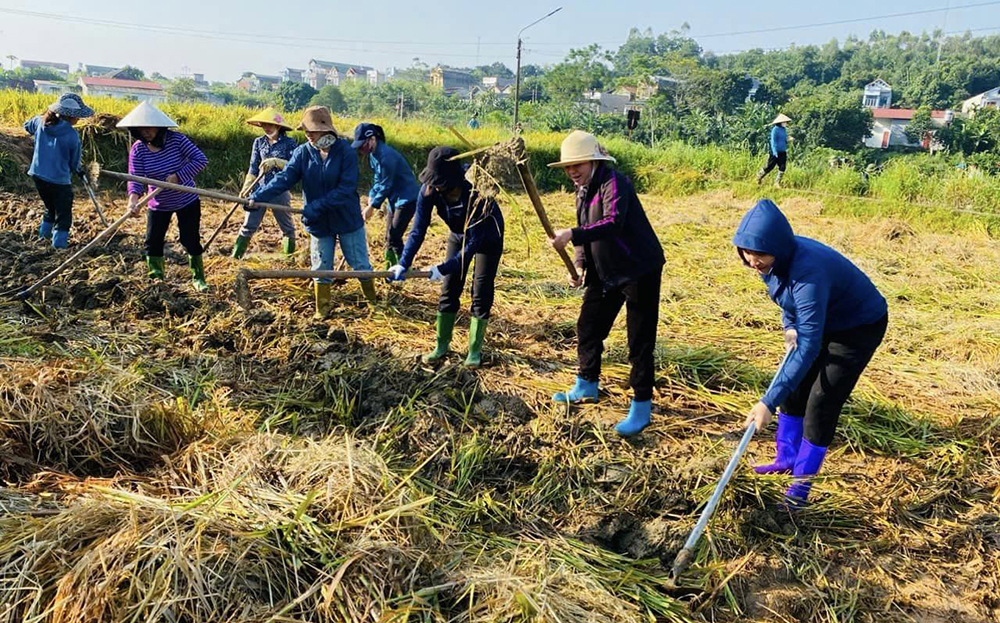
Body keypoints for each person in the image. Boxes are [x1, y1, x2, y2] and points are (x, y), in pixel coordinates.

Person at [735, 199, 888, 506]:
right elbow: (787, 301)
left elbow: (809, 345)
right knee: (793, 390)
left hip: (858, 326)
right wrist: (790, 326)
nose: (752, 260)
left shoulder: (808, 273)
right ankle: (786, 458)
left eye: (759, 253)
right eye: (746, 251)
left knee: (821, 400)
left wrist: (767, 403)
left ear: (777, 247)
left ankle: (800, 487)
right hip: (823, 318)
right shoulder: (772, 262)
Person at [547, 130, 665, 437]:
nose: (572, 171)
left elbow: (612, 223)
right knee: (588, 326)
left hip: (639, 269)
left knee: (639, 341)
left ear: (594, 161)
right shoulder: (582, 190)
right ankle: (587, 384)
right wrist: (579, 265)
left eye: (578, 164)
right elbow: (584, 234)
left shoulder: (615, 183)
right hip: (605, 271)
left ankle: (641, 405)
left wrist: (572, 233)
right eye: (568, 166)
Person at [248, 106, 374, 318]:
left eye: (313, 132)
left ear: (326, 130)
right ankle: (322, 309)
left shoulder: (345, 152)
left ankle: (373, 303)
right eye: (307, 132)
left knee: (359, 263)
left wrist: (316, 206)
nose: (309, 136)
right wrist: (259, 196)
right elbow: (285, 178)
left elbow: (345, 189)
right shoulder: (303, 152)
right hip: (318, 221)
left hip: (346, 218)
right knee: (321, 266)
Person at [387, 146, 504, 368]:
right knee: (449, 289)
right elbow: (418, 230)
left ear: (453, 180)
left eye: (439, 182)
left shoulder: (476, 196)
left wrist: (442, 268)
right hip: (458, 234)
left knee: (480, 289)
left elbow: (471, 247)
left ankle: (474, 350)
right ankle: (441, 346)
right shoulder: (429, 191)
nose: (434, 186)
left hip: (487, 238)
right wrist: (403, 262)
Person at [117, 102, 210, 292]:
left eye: (149, 128)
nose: (146, 132)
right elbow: (135, 178)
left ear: (159, 126)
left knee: (189, 239)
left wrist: (178, 177)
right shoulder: (138, 149)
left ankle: (198, 278)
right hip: (158, 203)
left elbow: (200, 160)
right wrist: (133, 201)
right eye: (141, 129)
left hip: (186, 199)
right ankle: (156, 279)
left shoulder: (176, 140)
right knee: (153, 241)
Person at [23, 93, 94, 249]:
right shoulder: (72, 135)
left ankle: (43, 238)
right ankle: (59, 247)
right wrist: (79, 171)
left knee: (50, 207)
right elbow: (74, 162)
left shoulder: (41, 122)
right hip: (58, 180)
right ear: (71, 117)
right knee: (63, 215)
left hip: (37, 175)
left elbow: (27, 126)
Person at [232, 108, 298, 259]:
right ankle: (235, 258)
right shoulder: (259, 142)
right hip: (259, 189)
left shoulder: (289, 143)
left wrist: (277, 162)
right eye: (264, 125)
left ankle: (288, 259)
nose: (267, 128)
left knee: (287, 227)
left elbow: (295, 166)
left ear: (278, 126)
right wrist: (247, 186)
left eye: (270, 125)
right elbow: (253, 166)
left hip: (279, 189)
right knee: (248, 225)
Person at [351, 122, 419, 269]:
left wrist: (372, 207)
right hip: (394, 200)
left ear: (372, 139)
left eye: (362, 145)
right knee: (389, 236)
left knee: (394, 236)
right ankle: (389, 267)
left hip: (406, 199)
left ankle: (403, 267)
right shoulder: (373, 155)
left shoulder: (387, 156)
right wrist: (371, 195)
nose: (361, 150)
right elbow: (378, 179)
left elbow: (386, 184)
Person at [756, 114, 791, 188]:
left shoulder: (783, 129)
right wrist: (775, 152)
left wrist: (788, 139)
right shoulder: (775, 130)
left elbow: (784, 139)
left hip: (782, 151)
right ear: (781, 122)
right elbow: (773, 141)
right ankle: (759, 176)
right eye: (785, 122)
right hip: (775, 152)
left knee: (782, 167)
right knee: (770, 167)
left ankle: (777, 182)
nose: (786, 123)